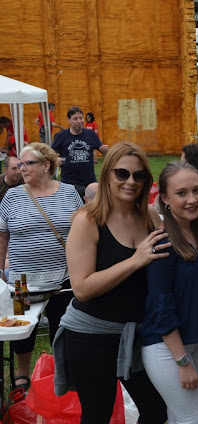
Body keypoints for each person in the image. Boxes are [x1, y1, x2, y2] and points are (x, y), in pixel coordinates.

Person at [53, 142, 168, 423]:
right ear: (106, 176)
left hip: (138, 335)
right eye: (122, 174)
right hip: (91, 336)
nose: (131, 181)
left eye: (139, 175)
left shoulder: (150, 216)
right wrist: (134, 260)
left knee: (156, 410)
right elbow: (81, 288)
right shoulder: (87, 220)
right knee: (98, 414)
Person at [139, 161, 198, 423]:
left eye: (196, 191)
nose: (192, 199)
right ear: (164, 198)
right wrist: (182, 361)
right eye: (181, 193)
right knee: (194, 419)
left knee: (178, 418)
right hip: (168, 348)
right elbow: (160, 305)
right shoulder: (162, 242)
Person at [0, 143, 83, 390]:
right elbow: (2, 234)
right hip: (22, 280)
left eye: (28, 163)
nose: (21, 168)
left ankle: (64, 375)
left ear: (47, 165)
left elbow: (84, 229)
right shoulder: (13, 195)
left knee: (63, 326)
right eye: (20, 164)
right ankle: (22, 375)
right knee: (23, 328)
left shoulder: (69, 193)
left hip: (64, 277)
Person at [52, 106, 109, 199]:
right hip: (68, 182)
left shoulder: (91, 134)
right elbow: (50, 154)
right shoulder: (61, 136)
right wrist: (55, 159)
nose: (79, 121)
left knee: (93, 210)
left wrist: (104, 151)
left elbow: (104, 154)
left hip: (89, 182)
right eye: (75, 118)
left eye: (81, 118)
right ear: (68, 120)